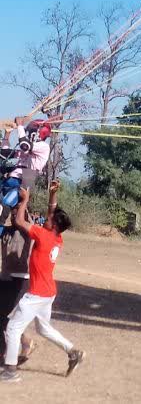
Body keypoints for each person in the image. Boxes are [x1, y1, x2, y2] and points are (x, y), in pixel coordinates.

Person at [1, 180, 83, 383]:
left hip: (37, 294)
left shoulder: (43, 236)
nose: (45, 218)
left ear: (53, 224)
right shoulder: (57, 238)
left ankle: (10, 371)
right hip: (48, 292)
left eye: (48, 218)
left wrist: (25, 201)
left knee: (12, 328)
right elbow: (52, 210)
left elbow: (19, 221)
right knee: (43, 329)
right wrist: (53, 194)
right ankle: (73, 352)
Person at [0, 116, 51, 367]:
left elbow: (24, 148)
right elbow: (9, 153)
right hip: (15, 178)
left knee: (11, 198)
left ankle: (12, 350)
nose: (30, 134)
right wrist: (6, 135)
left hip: (25, 182)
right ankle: (19, 344)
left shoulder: (40, 148)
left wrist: (19, 126)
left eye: (32, 131)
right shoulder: (24, 149)